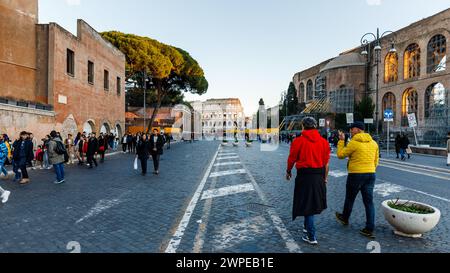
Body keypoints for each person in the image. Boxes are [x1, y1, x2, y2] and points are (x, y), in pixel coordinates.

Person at [286, 117, 330, 245]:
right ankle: (306, 228)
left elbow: (291, 159)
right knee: (311, 203)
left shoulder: (298, 141)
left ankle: (311, 236)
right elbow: (326, 164)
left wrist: (288, 171)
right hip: (318, 176)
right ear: (315, 127)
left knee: (308, 206)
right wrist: (325, 178)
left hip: (304, 176)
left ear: (303, 127)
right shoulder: (323, 142)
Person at [336, 121, 379, 239]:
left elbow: (340, 155)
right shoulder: (374, 143)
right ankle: (369, 228)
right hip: (370, 174)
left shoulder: (353, 143)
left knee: (350, 198)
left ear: (359, 130)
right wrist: (370, 169)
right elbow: (376, 161)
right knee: (369, 202)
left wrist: (340, 141)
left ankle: (345, 218)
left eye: (352, 129)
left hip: (356, 174)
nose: (350, 130)